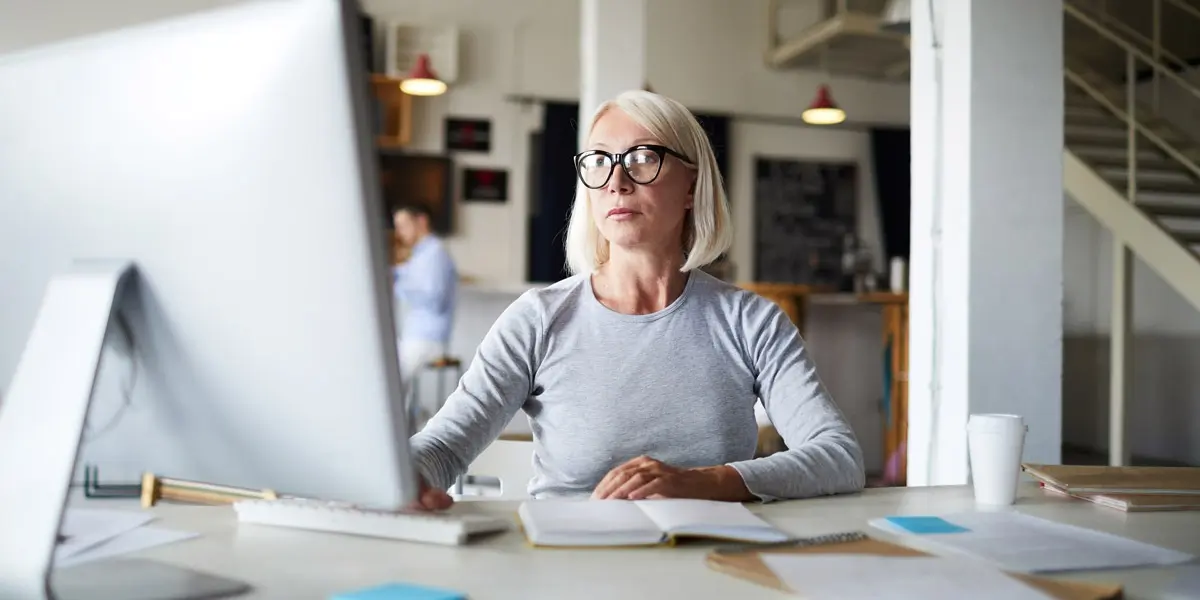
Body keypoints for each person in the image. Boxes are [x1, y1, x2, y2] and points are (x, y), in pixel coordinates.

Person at [409, 90, 864, 511]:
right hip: (570, 567)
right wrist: (404, 476)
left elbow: (839, 457)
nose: (617, 180)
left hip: (711, 566)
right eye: (599, 161)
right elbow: (443, 447)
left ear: (692, 185)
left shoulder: (752, 322)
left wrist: (704, 482)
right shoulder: (538, 320)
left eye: (643, 158)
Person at [391, 202, 458, 423]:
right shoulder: (420, 255)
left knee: (390, 380)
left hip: (428, 339)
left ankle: (400, 434)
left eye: (403, 225)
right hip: (415, 337)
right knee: (392, 379)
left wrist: (399, 283)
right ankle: (404, 431)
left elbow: (434, 301)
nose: (400, 232)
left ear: (421, 221)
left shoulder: (435, 253)